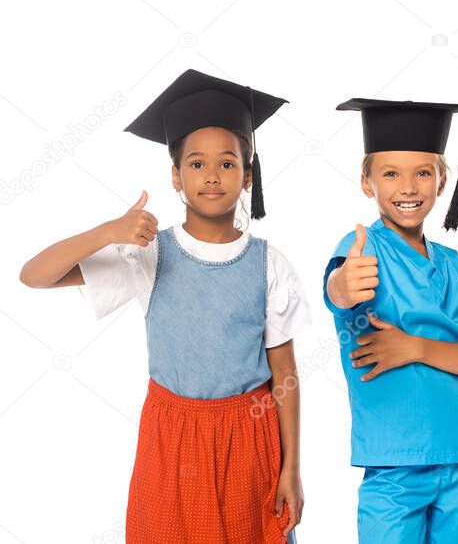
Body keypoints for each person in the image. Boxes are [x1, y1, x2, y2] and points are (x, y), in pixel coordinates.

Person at [19, 69, 310, 542]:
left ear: (248, 174)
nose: (212, 175)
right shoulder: (150, 254)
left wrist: (291, 469)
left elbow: (286, 377)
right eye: (196, 164)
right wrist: (107, 232)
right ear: (175, 175)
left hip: (250, 444)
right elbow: (33, 275)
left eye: (227, 163)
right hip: (171, 445)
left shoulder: (269, 265)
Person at [323, 98, 458, 543]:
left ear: (442, 180)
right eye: (390, 173)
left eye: (422, 172)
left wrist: (415, 347)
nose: (408, 186)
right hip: (393, 463)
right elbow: (338, 289)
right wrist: (343, 285)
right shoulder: (362, 248)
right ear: (367, 183)